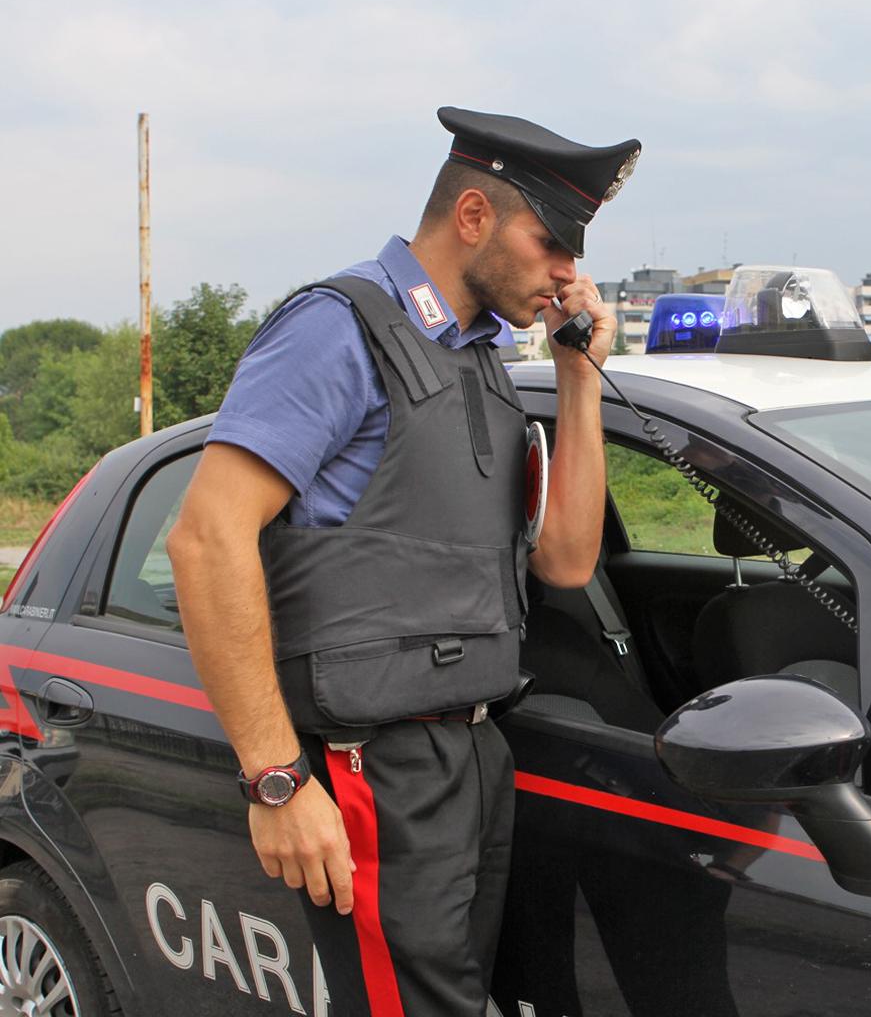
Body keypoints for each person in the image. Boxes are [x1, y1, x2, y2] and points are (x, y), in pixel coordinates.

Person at [168, 107, 640, 1015]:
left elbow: (568, 563)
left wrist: (581, 377)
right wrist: (275, 777)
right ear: (473, 216)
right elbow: (206, 536)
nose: (568, 274)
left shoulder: (482, 360)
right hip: (367, 765)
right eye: (551, 243)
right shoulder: (336, 326)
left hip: (469, 752)